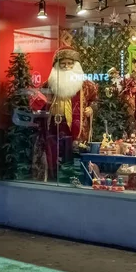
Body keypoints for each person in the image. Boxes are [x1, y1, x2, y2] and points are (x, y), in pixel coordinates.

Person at [44, 47, 98, 180]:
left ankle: (76, 180)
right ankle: (54, 179)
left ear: (76, 65)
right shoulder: (49, 83)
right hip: (54, 126)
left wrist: (92, 108)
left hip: (76, 127)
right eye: (63, 63)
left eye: (70, 63)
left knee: (74, 155)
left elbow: (96, 100)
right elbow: (41, 97)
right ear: (57, 65)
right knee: (55, 154)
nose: (66, 66)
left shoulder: (87, 85)